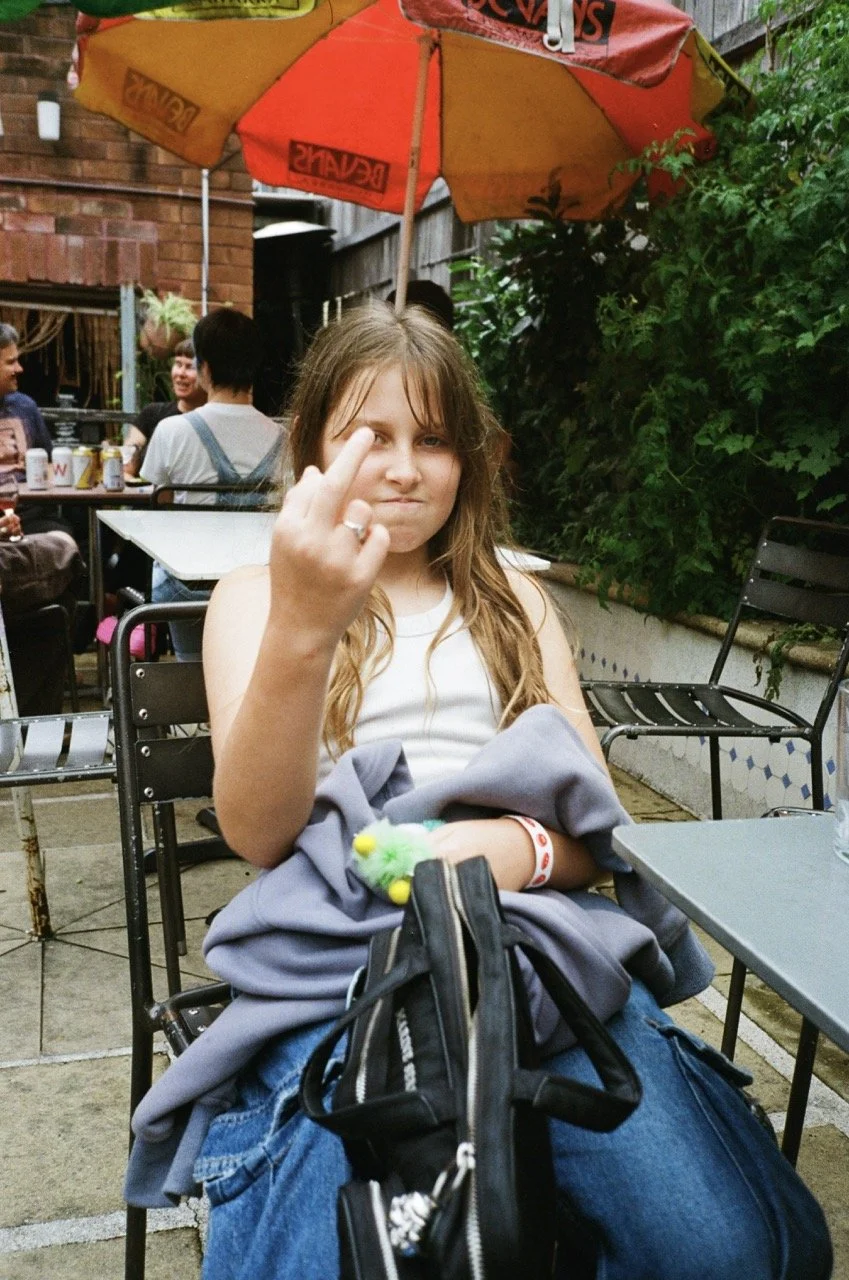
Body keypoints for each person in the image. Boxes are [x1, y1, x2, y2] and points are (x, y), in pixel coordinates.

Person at [124, 305, 830, 1279]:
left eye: (435, 439)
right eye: (372, 436)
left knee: (729, 1244)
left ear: (471, 460)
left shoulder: (515, 596)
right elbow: (257, 830)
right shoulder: (258, 596)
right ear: (313, 447)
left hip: (529, 946)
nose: (406, 467)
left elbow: (592, 829)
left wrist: (517, 849)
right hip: (342, 954)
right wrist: (303, 624)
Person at [139, 308, 283, 660]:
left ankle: (194, 681)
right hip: (263, 587)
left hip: (187, 593)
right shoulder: (285, 438)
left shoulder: (172, 431)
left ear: (204, 368)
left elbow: (160, 504)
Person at [123, 338, 207, 478]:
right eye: (178, 364)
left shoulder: (212, 420)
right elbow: (126, 468)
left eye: (190, 367)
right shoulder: (152, 413)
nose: (180, 373)